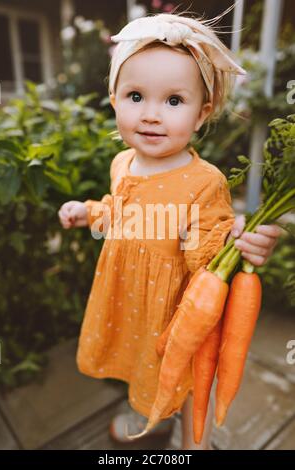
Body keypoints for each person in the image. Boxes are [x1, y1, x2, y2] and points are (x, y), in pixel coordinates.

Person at [58, 11, 281, 450]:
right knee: (140, 364)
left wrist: (240, 241)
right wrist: (87, 213)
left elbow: (208, 254)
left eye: (174, 101)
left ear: (203, 113)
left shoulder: (205, 182)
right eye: (136, 96)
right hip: (128, 300)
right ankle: (147, 412)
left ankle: (189, 437)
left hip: (175, 309)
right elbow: (118, 213)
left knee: (177, 371)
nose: (152, 115)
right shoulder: (122, 163)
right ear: (114, 99)